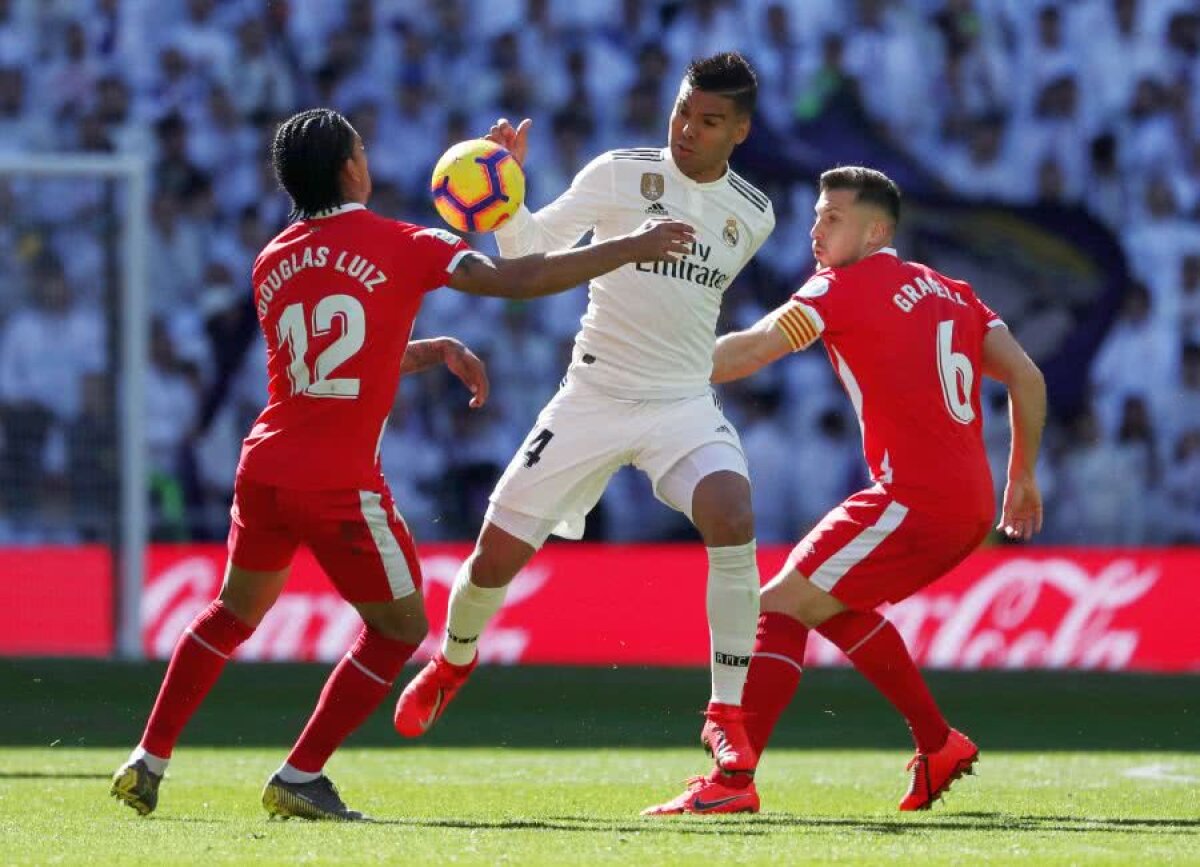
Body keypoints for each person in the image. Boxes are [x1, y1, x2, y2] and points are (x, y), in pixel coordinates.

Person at [109, 107, 694, 821]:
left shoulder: (272, 258)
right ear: (353, 169)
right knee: (399, 627)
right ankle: (300, 774)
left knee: (231, 612)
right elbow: (521, 278)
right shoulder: (405, 243)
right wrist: (627, 246)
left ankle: (148, 755)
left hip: (264, 466)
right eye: (362, 146)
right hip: (337, 482)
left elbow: (326, 366)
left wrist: (429, 347)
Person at [394, 52, 776, 782]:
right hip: (593, 394)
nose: (687, 129)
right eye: (682, 111)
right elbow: (532, 254)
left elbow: (691, 312)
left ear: (741, 132)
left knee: (732, 512)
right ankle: (453, 660)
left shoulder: (755, 215)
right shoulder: (618, 174)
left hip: (682, 402)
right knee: (492, 558)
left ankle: (726, 714)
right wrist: (506, 204)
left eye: (709, 121)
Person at [643, 166, 1046, 815]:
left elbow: (748, 353)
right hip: (966, 502)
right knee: (827, 603)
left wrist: (655, 360)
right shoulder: (954, 292)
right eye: (816, 215)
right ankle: (937, 742)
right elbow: (1026, 377)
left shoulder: (840, 289)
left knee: (776, 603)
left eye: (833, 217)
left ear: (877, 229)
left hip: (911, 497)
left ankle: (734, 780)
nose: (816, 229)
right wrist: (1021, 476)